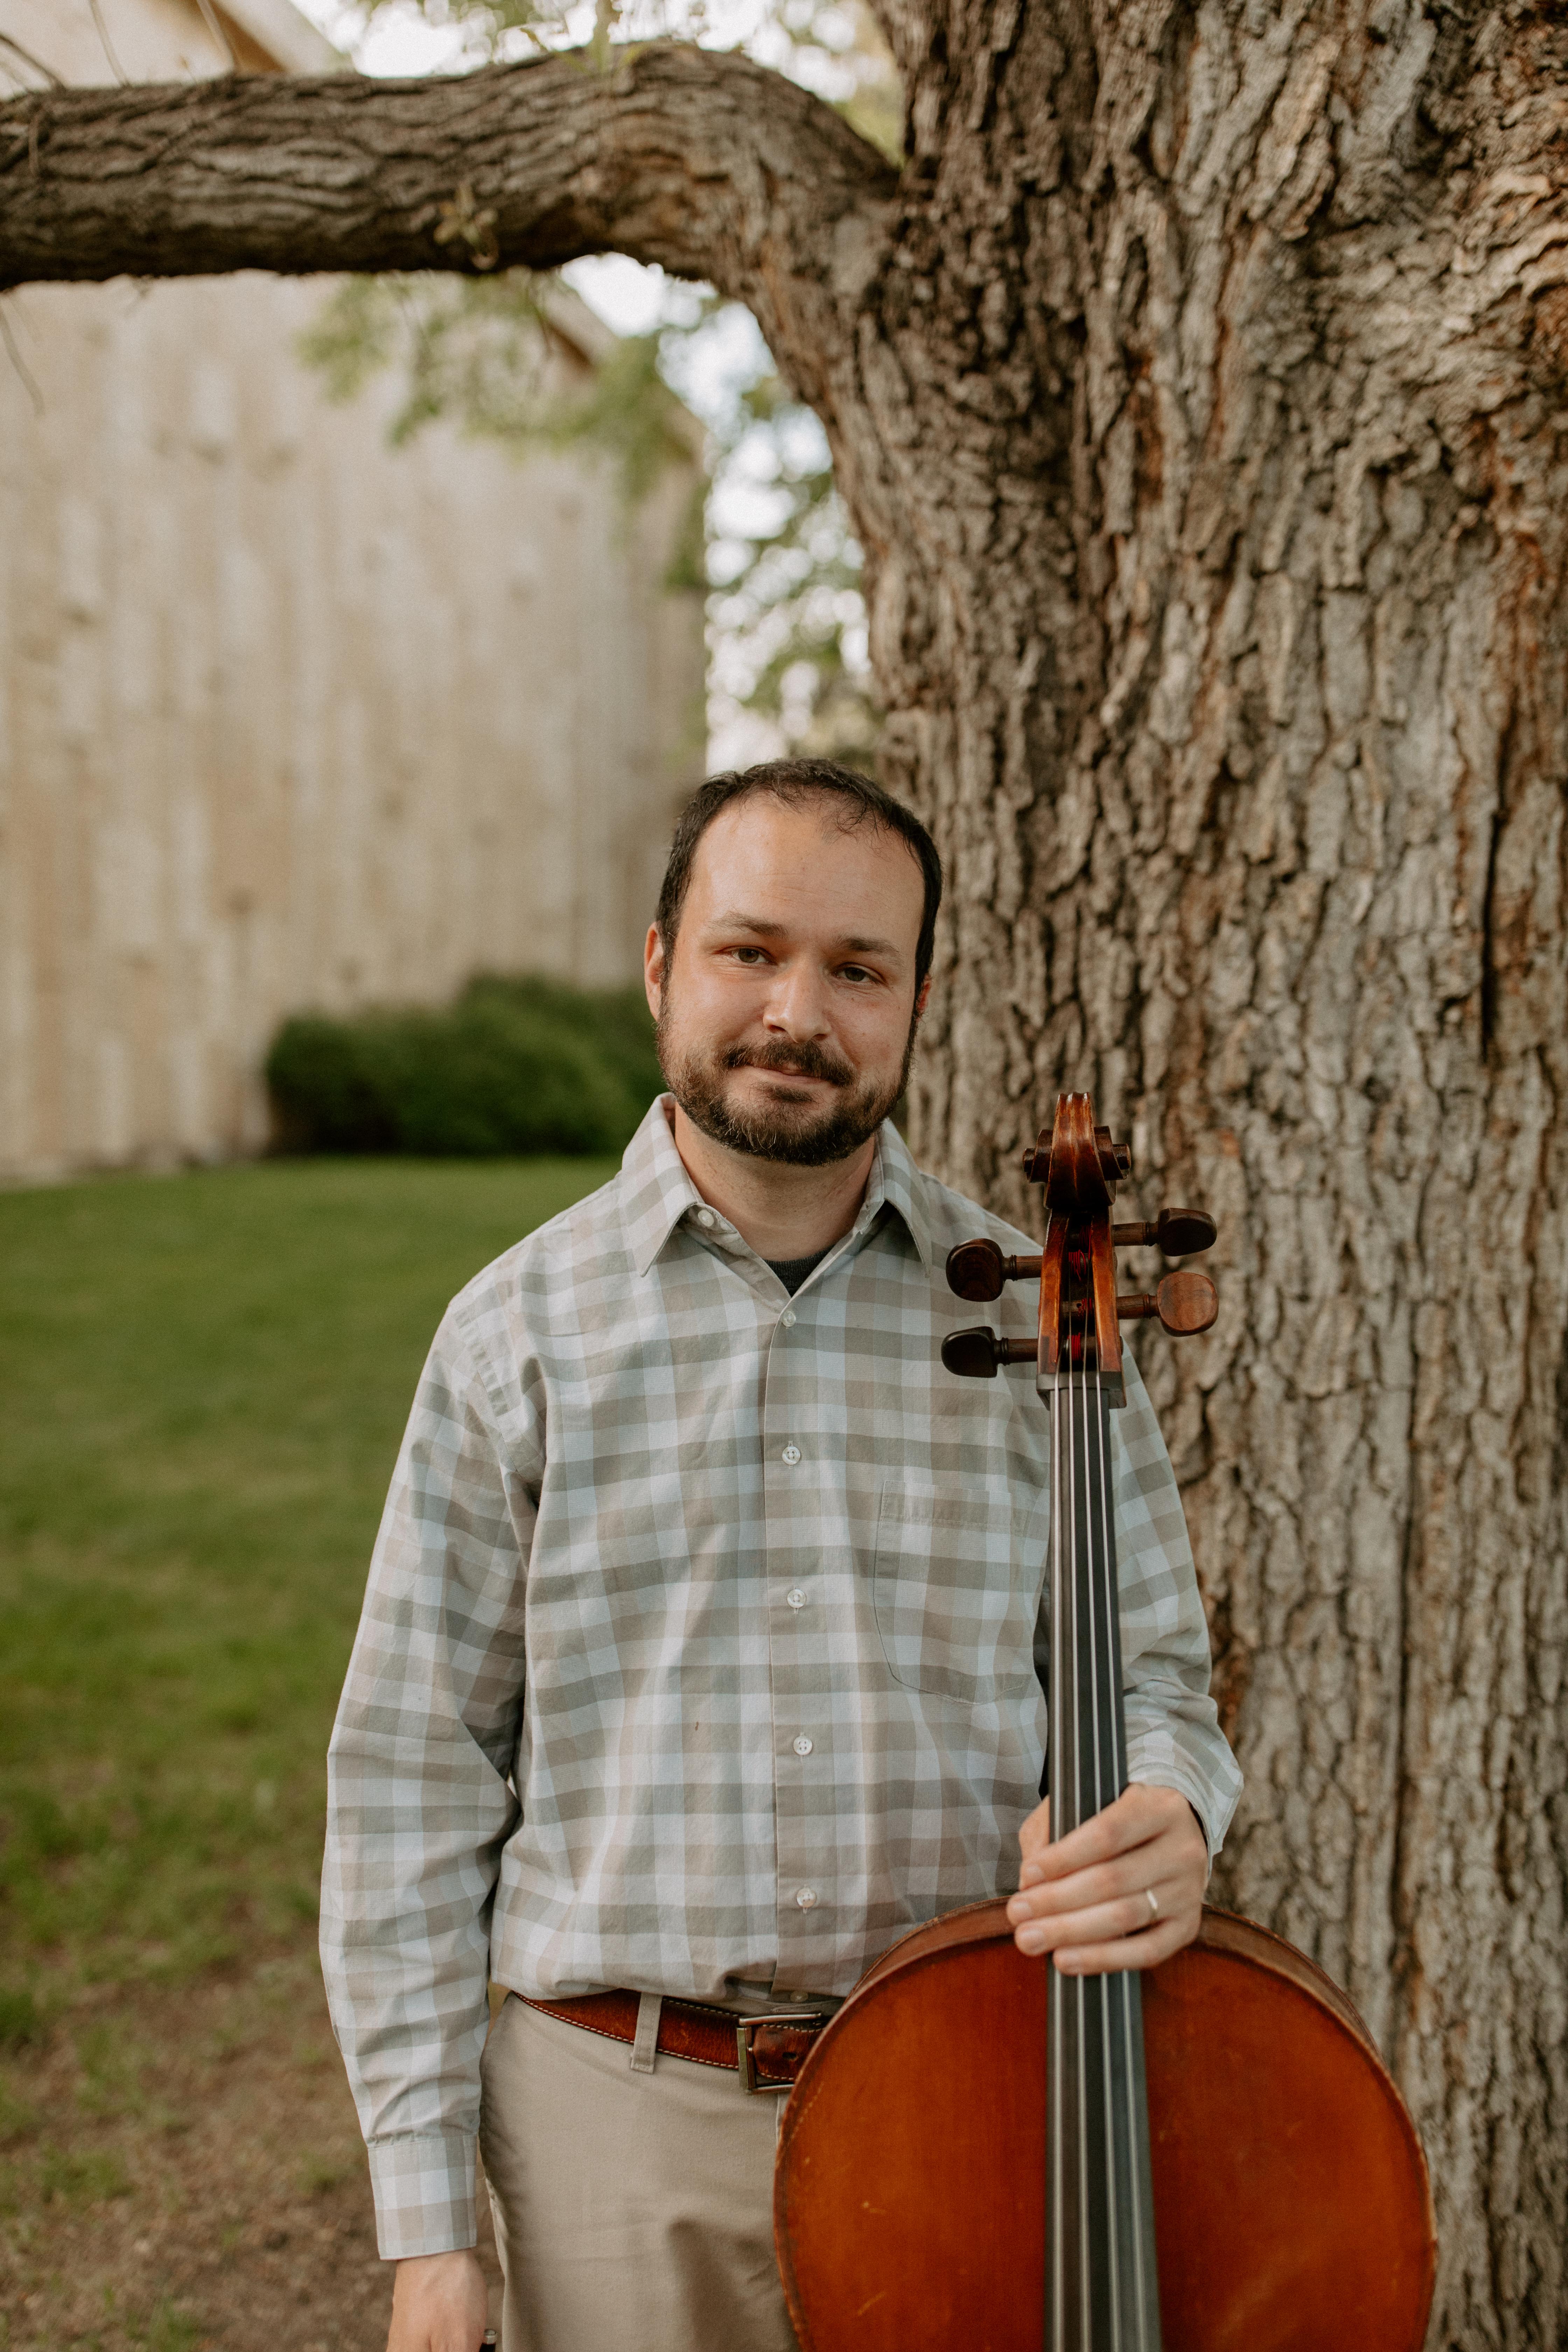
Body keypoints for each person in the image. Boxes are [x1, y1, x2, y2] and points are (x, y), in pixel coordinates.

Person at [321, 758, 1242, 2352]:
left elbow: (1154, 1673)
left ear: (912, 1000)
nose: (795, 1011)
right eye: (751, 950)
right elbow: (416, 1776)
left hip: (974, 2089)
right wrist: (426, 2232)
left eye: (856, 968)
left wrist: (1169, 1806)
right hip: (621, 2125)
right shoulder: (515, 1338)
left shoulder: (1033, 1307)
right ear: (664, 962)